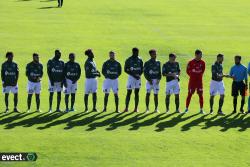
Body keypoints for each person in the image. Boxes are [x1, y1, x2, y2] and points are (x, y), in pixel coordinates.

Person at [185, 49, 206, 114]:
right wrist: (192, 76)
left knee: (200, 95)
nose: (201, 56)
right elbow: (187, 71)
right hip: (192, 82)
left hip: (199, 82)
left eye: (201, 55)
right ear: (196, 55)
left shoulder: (203, 62)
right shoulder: (190, 62)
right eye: (200, 55)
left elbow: (203, 71)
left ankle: (201, 109)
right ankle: (186, 109)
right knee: (189, 94)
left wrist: (198, 75)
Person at [124, 47, 143, 112]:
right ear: (133, 52)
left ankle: (136, 108)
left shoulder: (140, 59)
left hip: (138, 78)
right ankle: (126, 108)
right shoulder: (129, 59)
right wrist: (134, 75)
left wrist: (139, 75)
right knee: (129, 92)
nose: (137, 54)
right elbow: (125, 69)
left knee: (137, 93)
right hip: (131, 78)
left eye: (138, 52)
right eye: (136, 52)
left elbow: (142, 69)